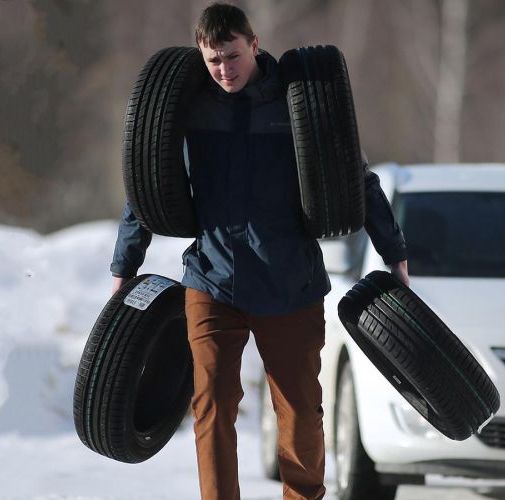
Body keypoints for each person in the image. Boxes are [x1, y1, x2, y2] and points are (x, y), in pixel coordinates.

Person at [109, 3, 409, 499]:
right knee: (212, 404)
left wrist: (392, 251)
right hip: (212, 278)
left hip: (289, 283)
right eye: (213, 61)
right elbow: (148, 185)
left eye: (232, 56)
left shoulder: (300, 101)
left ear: (254, 43)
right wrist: (125, 264)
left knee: (299, 411)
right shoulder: (190, 106)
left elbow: (357, 178)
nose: (224, 71)